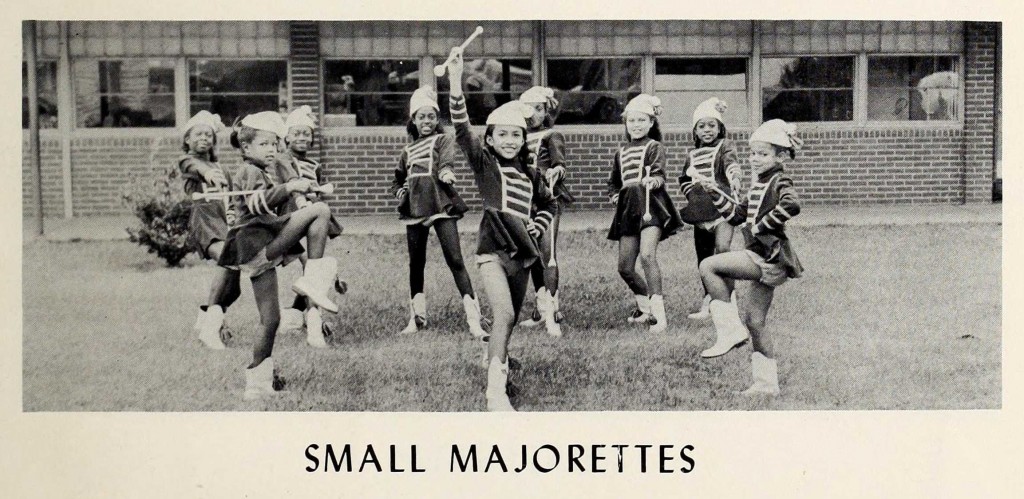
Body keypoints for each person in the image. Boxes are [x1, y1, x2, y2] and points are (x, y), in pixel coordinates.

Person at [446, 47, 558, 411]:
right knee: (506, 314)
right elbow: (463, 131)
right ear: (491, 140)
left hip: (523, 257)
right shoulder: (486, 167)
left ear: (524, 139)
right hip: (492, 252)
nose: (510, 141)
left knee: (507, 322)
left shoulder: (532, 174)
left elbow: (549, 204)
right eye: (502, 135)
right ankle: (495, 392)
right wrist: (455, 83)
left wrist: (538, 226)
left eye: (516, 135)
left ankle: (498, 358)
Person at [218, 111, 340, 400]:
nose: (271, 150)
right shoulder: (249, 170)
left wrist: (297, 189)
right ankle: (312, 280)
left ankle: (258, 384)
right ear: (246, 149)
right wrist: (289, 187)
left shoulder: (260, 171)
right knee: (320, 211)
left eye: (274, 144)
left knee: (270, 319)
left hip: (257, 250)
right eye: (264, 144)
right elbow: (258, 204)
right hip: (257, 242)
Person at [697, 119, 804, 395]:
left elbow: (792, 204)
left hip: (766, 256)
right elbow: (736, 215)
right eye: (753, 153)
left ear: (780, 156)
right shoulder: (760, 182)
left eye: (763, 154)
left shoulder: (779, 179)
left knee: (709, 265)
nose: (756, 159)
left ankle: (729, 330)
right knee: (755, 321)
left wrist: (761, 226)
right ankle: (767, 385)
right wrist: (715, 193)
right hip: (764, 257)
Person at [390, 85, 487, 339]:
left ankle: (474, 319)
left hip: (440, 203)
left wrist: (446, 172)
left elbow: (446, 161)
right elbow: (397, 179)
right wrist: (401, 192)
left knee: (455, 259)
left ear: (437, 119)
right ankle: (417, 318)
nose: (426, 121)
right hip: (415, 209)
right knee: (416, 263)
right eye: (421, 117)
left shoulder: (443, 139)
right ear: (413, 119)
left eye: (431, 116)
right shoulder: (407, 151)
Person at [607, 94, 684, 334]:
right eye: (632, 120)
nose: (637, 125)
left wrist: (653, 180)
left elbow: (660, 175)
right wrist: (615, 195)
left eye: (642, 120)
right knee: (625, 267)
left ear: (651, 123)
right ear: (626, 123)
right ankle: (644, 307)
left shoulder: (654, 147)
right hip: (629, 210)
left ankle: (659, 317)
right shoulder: (621, 153)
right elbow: (614, 183)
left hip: (651, 207)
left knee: (647, 255)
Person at [277, 105, 344, 348]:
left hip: (313, 215)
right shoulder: (282, 159)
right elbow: (291, 183)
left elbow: (317, 187)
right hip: (291, 215)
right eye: (297, 133)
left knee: (312, 268)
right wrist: (302, 200)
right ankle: (312, 324)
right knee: (311, 267)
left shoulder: (314, 163)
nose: (302, 138)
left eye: (307, 134)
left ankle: (296, 317)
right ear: (286, 137)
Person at [179, 110, 241, 350]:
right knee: (227, 260)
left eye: (208, 134)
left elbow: (230, 199)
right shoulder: (187, 161)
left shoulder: (221, 168)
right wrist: (207, 173)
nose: (204, 138)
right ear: (187, 140)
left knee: (234, 286)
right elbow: (194, 167)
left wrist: (233, 213)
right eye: (198, 134)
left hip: (223, 223)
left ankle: (210, 314)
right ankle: (209, 328)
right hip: (203, 221)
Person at [678, 98, 742, 320]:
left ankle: (730, 299)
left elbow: (731, 163)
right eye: (702, 126)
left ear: (720, 127)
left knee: (723, 250)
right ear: (695, 130)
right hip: (701, 211)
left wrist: (734, 177)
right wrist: (693, 194)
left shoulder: (725, 146)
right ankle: (711, 300)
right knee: (704, 258)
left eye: (711, 125)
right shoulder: (692, 155)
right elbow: (684, 179)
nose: (707, 130)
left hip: (723, 208)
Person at [517, 86, 573, 337]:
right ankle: (540, 310)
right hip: (523, 200)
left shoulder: (552, 135)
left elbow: (560, 163)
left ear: (546, 111)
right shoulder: (517, 135)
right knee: (532, 254)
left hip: (547, 196)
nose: (533, 115)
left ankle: (553, 310)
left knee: (547, 252)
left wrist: (555, 171)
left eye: (538, 109)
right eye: (528, 109)